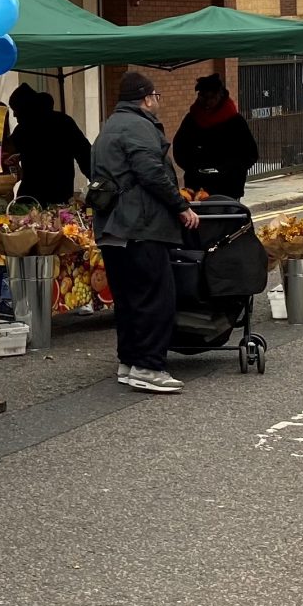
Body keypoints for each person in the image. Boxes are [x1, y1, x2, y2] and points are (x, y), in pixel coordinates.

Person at [90, 72, 198, 394]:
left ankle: (129, 362)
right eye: (157, 96)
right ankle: (149, 366)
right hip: (139, 226)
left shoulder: (109, 126)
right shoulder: (139, 127)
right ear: (147, 97)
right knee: (155, 298)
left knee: (127, 299)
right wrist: (181, 206)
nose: (157, 102)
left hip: (111, 228)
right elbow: (151, 172)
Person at [172, 73, 259, 200]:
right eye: (202, 97)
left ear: (221, 95)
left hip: (229, 186)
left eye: (211, 97)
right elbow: (180, 148)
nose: (207, 102)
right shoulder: (191, 119)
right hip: (197, 185)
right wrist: (194, 168)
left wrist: (231, 170)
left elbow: (250, 153)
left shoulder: (235, 121)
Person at [4, 85, 91, 206]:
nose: (14, 115)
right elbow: (85, 154)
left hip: (34, 196)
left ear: (25, 109)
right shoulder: (64, 121)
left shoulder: (25, 128)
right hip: (58, 193)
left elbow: (84, 154)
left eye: (16, 110)